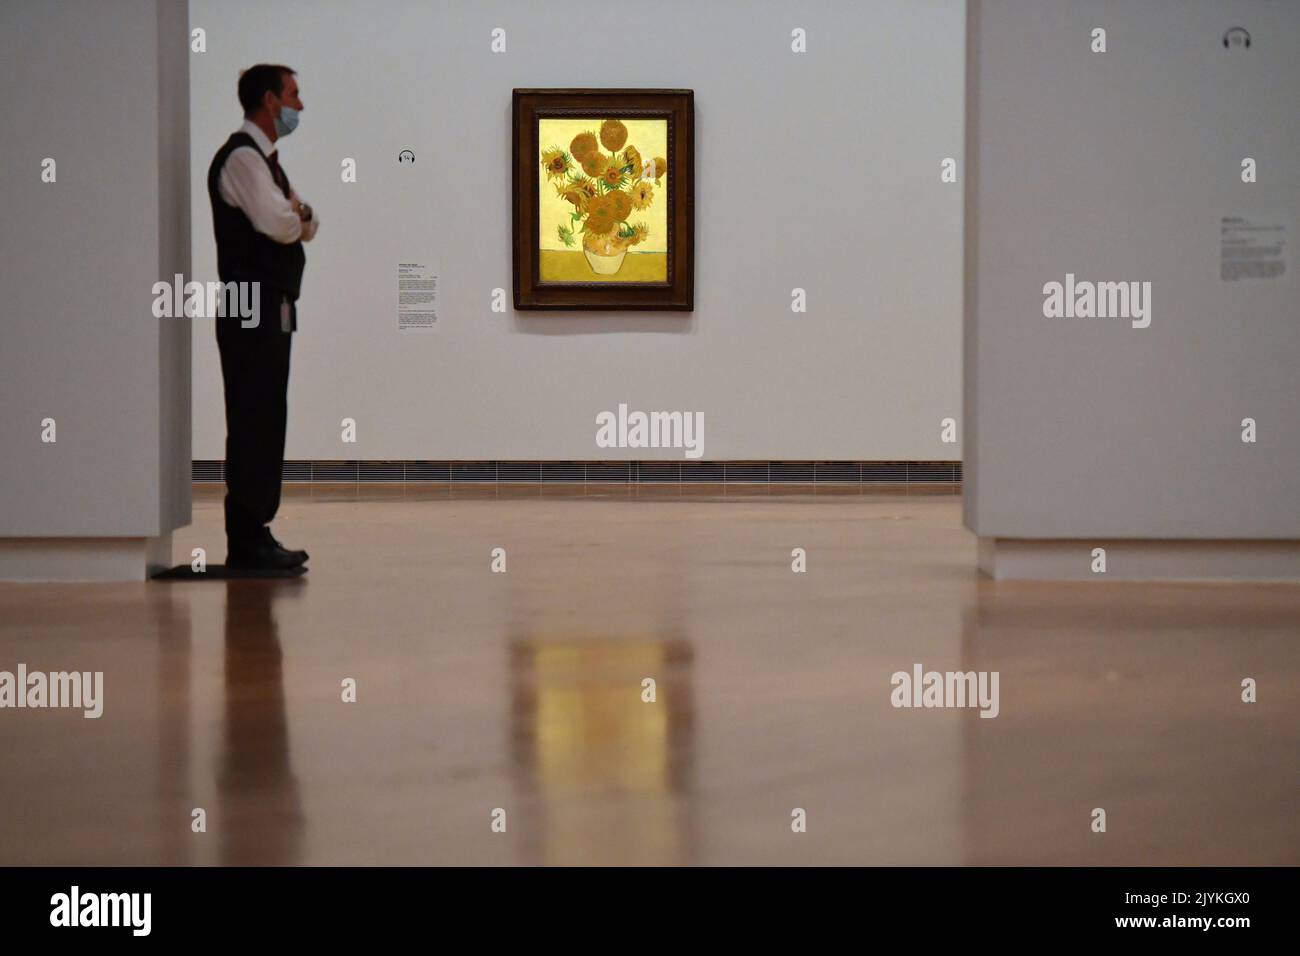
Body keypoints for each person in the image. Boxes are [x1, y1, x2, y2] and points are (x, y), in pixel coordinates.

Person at [207, 64, 319, 570]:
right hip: (248, 301)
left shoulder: (267, 163)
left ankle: (256, 531)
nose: (300, 106)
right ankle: (247, 537)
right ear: (270, 101)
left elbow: (306, 223)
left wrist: (296, 217)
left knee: (267, 411)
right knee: (254, 412)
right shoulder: (244, 160)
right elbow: (281, 220)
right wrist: (296, 215)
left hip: (265, 302)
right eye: (294, 95)